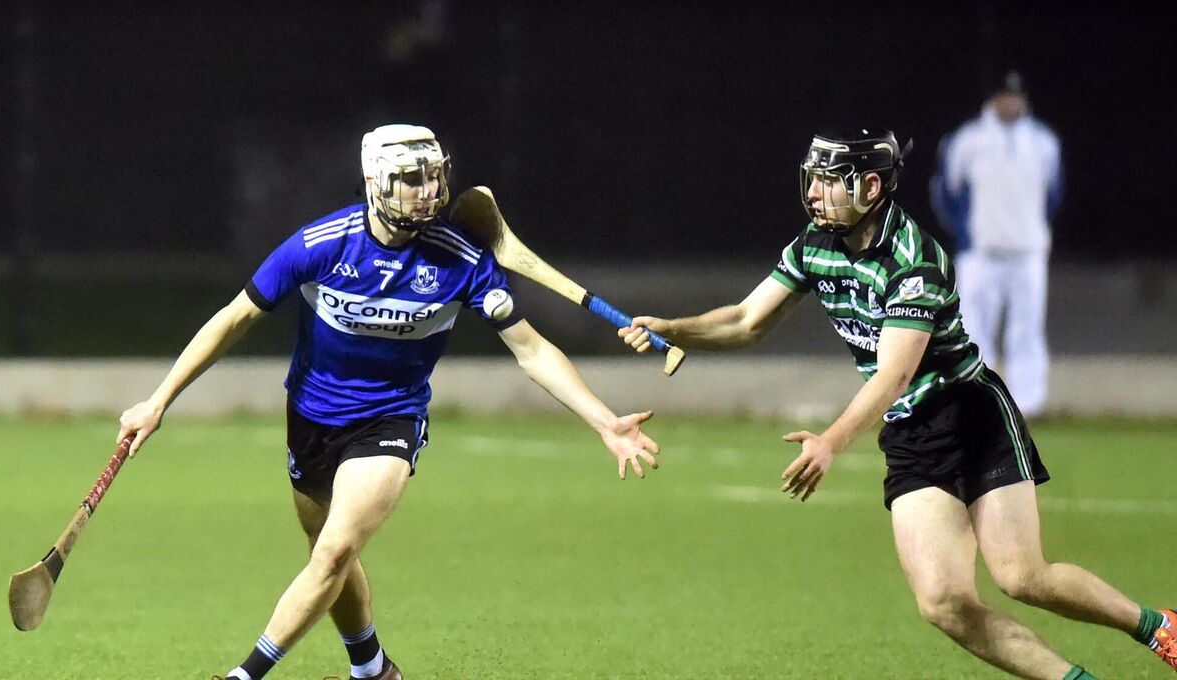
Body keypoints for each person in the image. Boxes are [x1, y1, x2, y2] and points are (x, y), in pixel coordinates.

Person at [619, 128, 1174, 679]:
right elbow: (745, 319)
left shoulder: (915, 260)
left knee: (1022, 576)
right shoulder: (814, 244)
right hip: (911, 433)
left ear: (870, 186)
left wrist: (831, 441)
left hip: (971, 416)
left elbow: (894, 373)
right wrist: (673, 327)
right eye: (810, 179)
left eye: (828, 182)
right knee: (943, 603)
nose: (813, 193)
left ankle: (1158, 628)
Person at [117, 123, 661, 680]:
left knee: (333, 553)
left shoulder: (463, 262)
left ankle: (244, 676)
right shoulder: (319, 245)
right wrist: (158, 400)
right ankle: (373, 670)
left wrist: (602, 420)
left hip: (390, 420)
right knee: (326, 552)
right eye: (411, 179)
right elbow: (235, 318)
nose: (428, 190)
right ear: (375, 182)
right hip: (310, 417)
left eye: (434, 176)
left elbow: (533, 352)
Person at [931, 71, 1062, 418]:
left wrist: (1031, 230)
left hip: (1028, 253)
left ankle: (1028, 406)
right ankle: (978, 402)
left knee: (1027, 330)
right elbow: (945, 191)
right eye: (1005, 95)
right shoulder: (968, 140)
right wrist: (967, 235)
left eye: (1016, 96)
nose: (1011, 102)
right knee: (973, 329)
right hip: (981, 254)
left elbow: (1052, 194)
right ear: (992, 99)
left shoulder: (1043, 141)